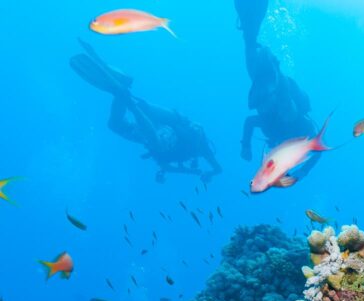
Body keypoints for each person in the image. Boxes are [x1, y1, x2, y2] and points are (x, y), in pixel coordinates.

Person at [70, 41, 222, 183]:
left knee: (115, 125)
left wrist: (196, 173)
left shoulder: (170, 156)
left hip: (159, 124)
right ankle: (126, 97)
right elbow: (218, 169)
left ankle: (121, 91)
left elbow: (167, 167)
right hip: (170, 124)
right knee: (148, 126)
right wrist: (205, 173)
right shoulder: (200, 147)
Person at [234, 0, 320, 178]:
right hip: (273, 90)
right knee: (249, 45)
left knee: (249, 44)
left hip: (265, 87)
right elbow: (319, 148)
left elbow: (250, 121)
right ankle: (275, 70)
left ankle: (272, 66)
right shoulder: (300, 127)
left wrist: (246, 146)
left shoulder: (273, 127)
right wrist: (246, 146)